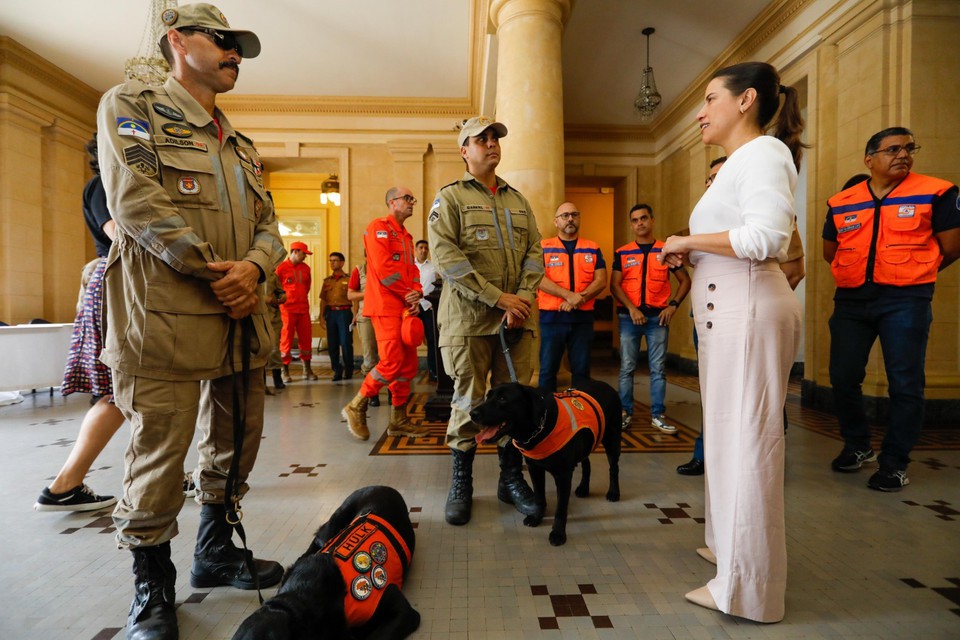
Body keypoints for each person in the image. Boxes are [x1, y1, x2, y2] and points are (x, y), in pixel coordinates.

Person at [96, 5, 286, 637]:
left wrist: (254, 270)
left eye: (239, 47)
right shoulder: (132, 105)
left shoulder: (241, 144)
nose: (235, 54)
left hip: (238, 317)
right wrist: (220, 274)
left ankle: (215, 548)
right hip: (166, 315)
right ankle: (152, 586)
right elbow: (136, 200)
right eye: (222, 41)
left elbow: (270, 227)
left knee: (238, 442)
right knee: (160, 452)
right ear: (176, 40)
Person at [659, 61, 805, 622]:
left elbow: (767, 238)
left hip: (748, 309)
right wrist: (691, 250)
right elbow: (736, 236)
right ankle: (727, 549)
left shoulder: (766, 153)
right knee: (725, 437)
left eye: (709, 98)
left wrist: (686, 238)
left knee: (748, 444)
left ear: (746, 101)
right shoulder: (740, 163)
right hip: (731, 313)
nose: (699, 111)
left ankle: (746, 589)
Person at [823, 127, 960, 491]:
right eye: (892, 149)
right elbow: (830, 250)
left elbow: (951, 246)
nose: (903, 154)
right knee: (842, 376)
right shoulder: (842, 201)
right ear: (870, 160)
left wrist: (915, 272)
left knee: (905, 383)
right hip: (852, 300)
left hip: (906, 300)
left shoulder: (937, 191)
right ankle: (858, 445)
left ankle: (895, 462)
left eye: (909, 148)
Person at [427, 116, 543, 526]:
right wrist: (498, 298)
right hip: (469, 323)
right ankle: (462, 483)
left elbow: (535, 251)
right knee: (469, 401)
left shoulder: (518, 200)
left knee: (516, 402)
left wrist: (522, 300)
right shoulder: (450, 199)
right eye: (481, 139)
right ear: (464, 150)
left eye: (495, 138)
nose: (491, 144)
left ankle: (511, 479)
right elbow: (448, 259)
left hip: (517, 322)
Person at [676, 156, 807, 475]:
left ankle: (761, 449)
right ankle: (708, 452)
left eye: (719, 178)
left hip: (748, 314)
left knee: (757, 390)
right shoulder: (705, 219)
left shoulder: (766, 216)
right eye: (709, 179)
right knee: (714, 388)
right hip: (709, 316)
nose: (712, 184)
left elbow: (794, 269)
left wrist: (756, 300)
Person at [34, 135, 124, 513]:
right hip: (119, 283)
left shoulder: (112, 183)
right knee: (124, 391)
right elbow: (122, 234)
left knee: (135, 393)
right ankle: (64, 484)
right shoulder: (103, 184)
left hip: (122, 283)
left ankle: (67, 484)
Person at [342, 187, 430, 441]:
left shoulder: (406, 235)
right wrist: (407, 294)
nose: (412, 202)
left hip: (404, 306)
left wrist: (416, 293)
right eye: (407, 198)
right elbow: (383, 269)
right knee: (391, 361)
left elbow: (412, 270)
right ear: (392, 202)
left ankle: (398, 420)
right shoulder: (378, 228)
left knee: (408, 365)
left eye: (413, 199)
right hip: (384, 306)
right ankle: (356, 405)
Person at [610, 204, 691, 434]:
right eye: (635, 220)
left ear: (652, 220)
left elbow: (685, 280)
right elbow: (614, 285)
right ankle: (625, 413)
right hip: (629, 318)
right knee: (626, 368)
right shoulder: (623, 253)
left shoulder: (665, 251)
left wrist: (673, 306)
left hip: (658, 319)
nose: (640, 223)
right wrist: (632, 309)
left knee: (658, 369)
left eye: (644, 218)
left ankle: (658, 415)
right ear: (631, 224)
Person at [536, 201, 608, 392]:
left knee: (582, 371)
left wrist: (579, 299)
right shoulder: (543, 247)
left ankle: (580, 415)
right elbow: (537, 279)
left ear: (579, 219)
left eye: (574, 215)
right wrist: (568, 296)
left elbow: (601, 281)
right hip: (552, 318)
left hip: (582, 319)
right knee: (548, 371)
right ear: (556, 222)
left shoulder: (592, 247)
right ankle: (547, 416)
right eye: (565, 215)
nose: (570, 219)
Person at [276, 241, 318, 382]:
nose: (305, 257)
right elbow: (276, 289)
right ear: (295, 252)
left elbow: (307, 287)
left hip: (303, 309)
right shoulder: (281, 268)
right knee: (286, 340)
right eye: (303, 254)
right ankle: (285, 371)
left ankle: (307, 370)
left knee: (306, 339)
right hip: (287, 310)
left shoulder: (306, 269)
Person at [347, 257, 381, 405]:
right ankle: (372, 393)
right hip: (366, 317)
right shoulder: (359, 269)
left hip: (386, 315)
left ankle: (394, 392)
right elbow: (350, 295)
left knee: (390, 356)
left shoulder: (386, 267)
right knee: (370, 358)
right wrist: (368, 295)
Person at [320, 252, 354, 381]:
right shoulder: (327, 281)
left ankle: (349, 370)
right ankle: (337, 370)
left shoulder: (349, 279)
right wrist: (321, 317)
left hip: (344, 313)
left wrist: (355, 315)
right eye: (330, 260)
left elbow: (354, 299)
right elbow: (323, 300)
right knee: (332, 344)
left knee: (346, 343)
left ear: (342, 263)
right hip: (331, 313)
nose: (332, 263)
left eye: (335, 260)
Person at [414, 239, 440, 381]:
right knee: (410, 339)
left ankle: (433, 371)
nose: (423, 250)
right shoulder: (409, 265)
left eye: (425, 248)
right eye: (421, 248)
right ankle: (408, 372)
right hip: (413, 307)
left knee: (432, 340)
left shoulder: (434, 266)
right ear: (416, 249)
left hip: (429, 307)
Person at [263, 268, 287, 394]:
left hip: (273, 318)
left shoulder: (273, 276)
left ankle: (277, 379)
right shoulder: (253, 274)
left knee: (274, 349)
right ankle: (261, 383)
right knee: (259, 351)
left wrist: (282, 296)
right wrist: (264, 299)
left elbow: (280, 291)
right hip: (258, 318)